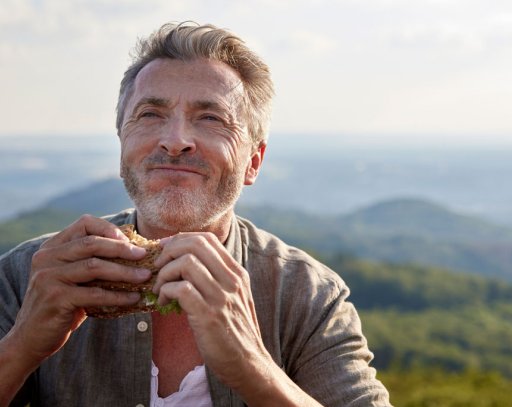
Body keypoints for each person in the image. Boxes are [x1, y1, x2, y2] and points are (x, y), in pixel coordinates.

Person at [0, 22, 391, 406]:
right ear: (123, 142)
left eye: (210, 118)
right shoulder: (28, 276)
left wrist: (252, 369)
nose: (174, 141)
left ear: (253, 161)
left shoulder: (307, 295)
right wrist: (21, 348)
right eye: (151, 114)